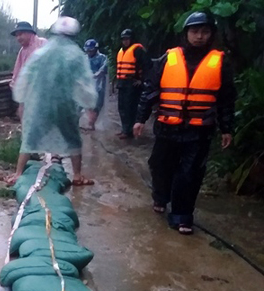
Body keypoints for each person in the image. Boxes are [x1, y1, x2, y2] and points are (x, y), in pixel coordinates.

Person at [133, 12, 236, 234]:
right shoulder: (168, 58)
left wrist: (227, 128)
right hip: (167, 126)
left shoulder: (219, 62)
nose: (199, 36)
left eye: (205, 32)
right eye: (195, 31)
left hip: (199, 130)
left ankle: (182, 215)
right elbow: (151, 91)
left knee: (189, 172)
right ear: (186, 34)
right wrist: (140, 119)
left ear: (211, 35)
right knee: (160, 165)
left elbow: (227, 99)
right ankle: (161, 196)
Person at [12, 16, 97, 186]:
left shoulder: (42, 52)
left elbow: (26, 75)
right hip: (65, 105)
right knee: (72, 138)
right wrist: (90, 106)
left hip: (40, 104)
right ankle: (78, 175)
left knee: (30, 138)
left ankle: (18, 174)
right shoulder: (76, 54)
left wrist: (21, 100)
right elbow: (84, 82)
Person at [8, 21, 47, 181]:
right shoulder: (22, 52)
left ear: (29, 32)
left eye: (20, 34)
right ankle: (30, 160)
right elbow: (17, 75)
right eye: (16, 35)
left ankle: (51, 159)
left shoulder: (43, 45)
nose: (18, 38)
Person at [116, 29, 149, 139]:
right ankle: (125, 129)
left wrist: (141, 80)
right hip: (122, 83)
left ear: (132, 39)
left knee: (130, 107)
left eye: (127, 39)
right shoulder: (121, 51)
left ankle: (129, 131)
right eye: (123, 39)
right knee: (122, 107)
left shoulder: (138, 50)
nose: (125, 41)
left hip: (132, 84)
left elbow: (148, 66)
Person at [84, 39, 108, 130]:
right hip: (87, 84)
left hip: (99, 85)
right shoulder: (84, 58)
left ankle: (92, 123)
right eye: (87, 50)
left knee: (97, 105)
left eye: (91, 50)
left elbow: (103, 69)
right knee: (85, 103)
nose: (89, 52)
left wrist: (97, 75)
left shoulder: (102, 58)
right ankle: (86, 122)